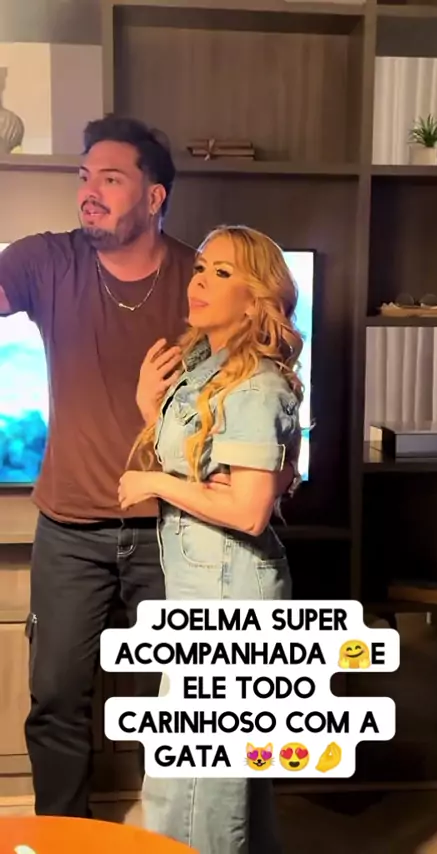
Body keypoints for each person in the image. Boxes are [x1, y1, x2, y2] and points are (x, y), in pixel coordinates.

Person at [0, 116, 295, 818]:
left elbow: (263, 390)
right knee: (56, 698)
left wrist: (274, 474)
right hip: (70, 528)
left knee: (186, 707)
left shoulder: (202, 283)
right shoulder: (46, 260)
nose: (89, 191)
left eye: (110, 178)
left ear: (154, 196)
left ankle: (174, 829)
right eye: (84, 176)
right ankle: (66, 835)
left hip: (176, 534)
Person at [118, 224, 303, 854]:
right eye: (201, 267)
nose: (199, 280)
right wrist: (150, 407)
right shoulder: (207, 368)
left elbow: (248, 512)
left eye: (223, 273)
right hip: (204, 589)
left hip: (230, 596)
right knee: (216, 777)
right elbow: (196, 463)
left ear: (255, 300)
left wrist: (153, 482)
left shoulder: (258, 385)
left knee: (194, 785)